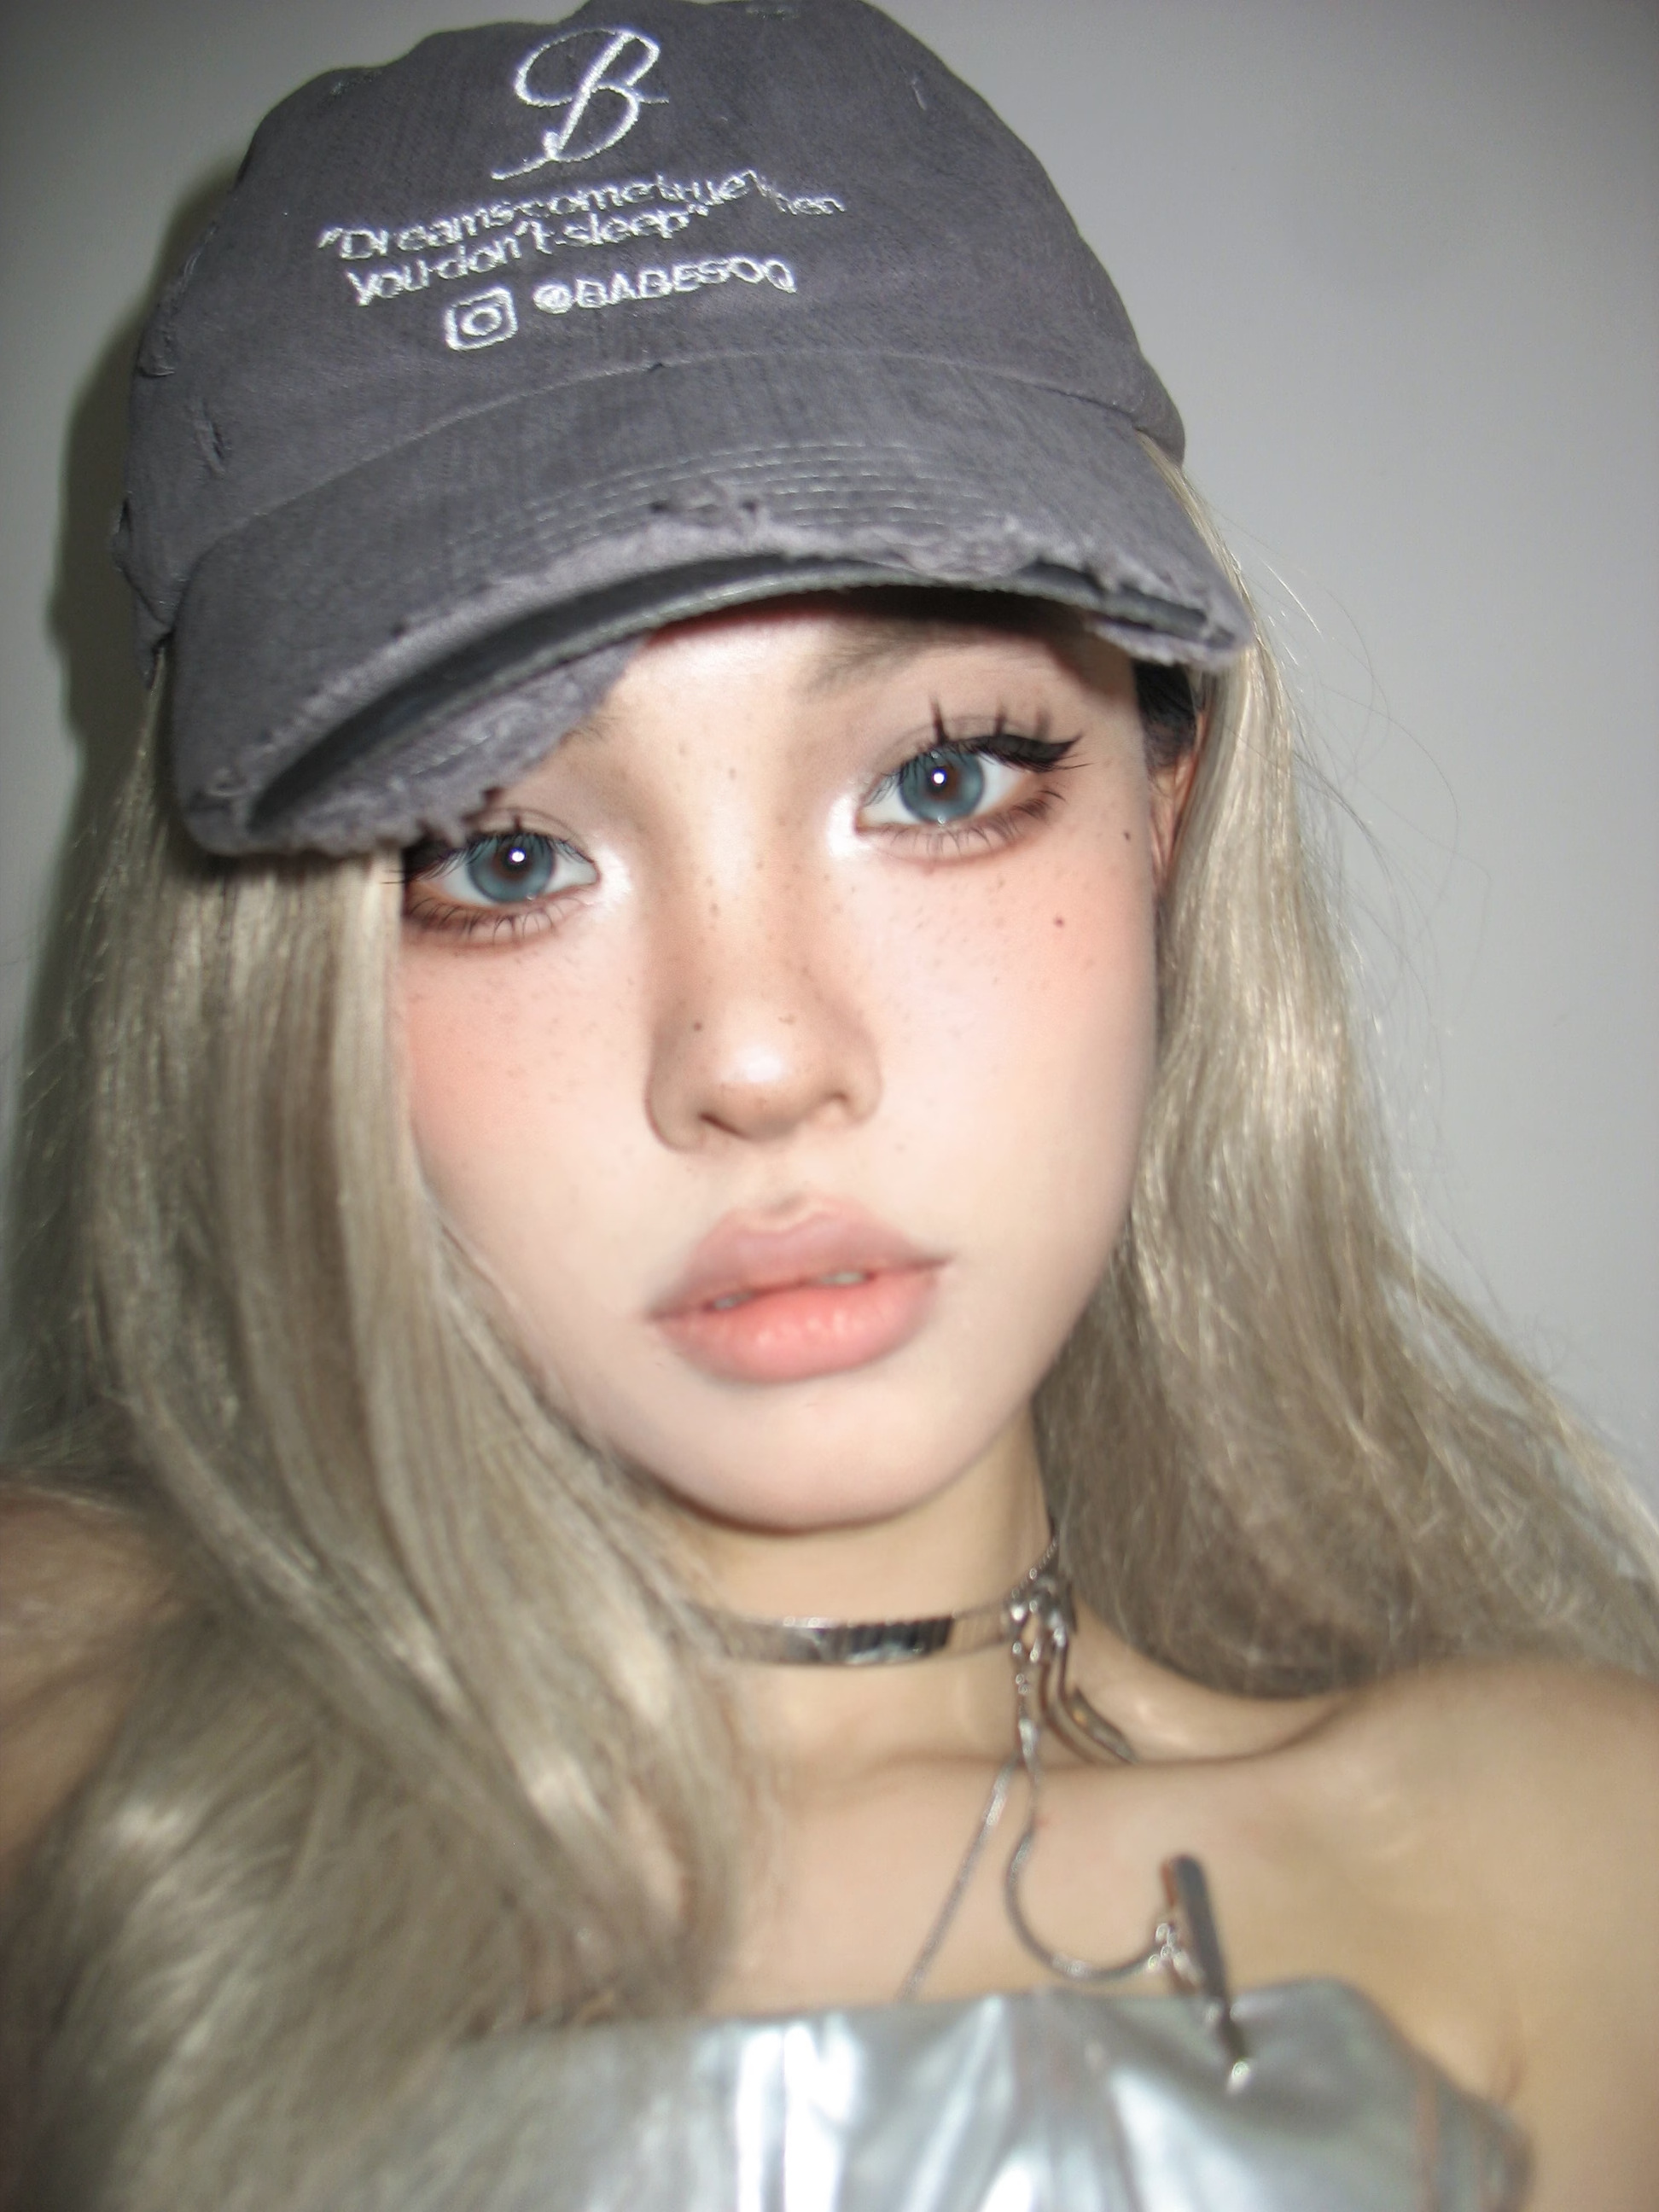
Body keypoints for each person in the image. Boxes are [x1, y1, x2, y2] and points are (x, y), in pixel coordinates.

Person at [2, 3, 1656, 2206]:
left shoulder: (1569, 1860)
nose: (761, 1059)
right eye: (504, 858)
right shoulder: (65, 1747)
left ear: (1163, 814)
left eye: (941, 780)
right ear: (273, 982)